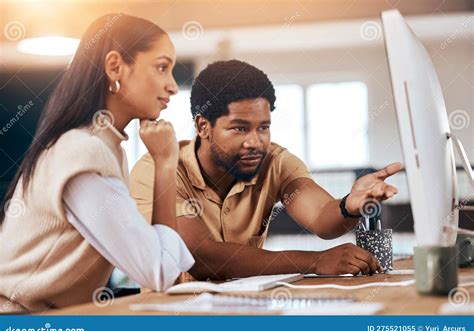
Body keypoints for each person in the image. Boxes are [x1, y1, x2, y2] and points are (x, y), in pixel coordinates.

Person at [130, 59, 401, 281]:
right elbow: (201, 258)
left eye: (263, 127)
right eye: (239, 128)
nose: (255, 142)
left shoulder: (275, 161)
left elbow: (320, 216)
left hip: (243, 310)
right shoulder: (159, 167)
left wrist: (348, 206)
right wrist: (315, 261)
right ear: (203, 127)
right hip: (168, 317)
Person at [0, 14, 194, 313]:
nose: (171, 86)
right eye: (161, 67)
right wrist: (166, 163)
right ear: (115, 67)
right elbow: (158, 271)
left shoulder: (105, 147)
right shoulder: (83, 151)